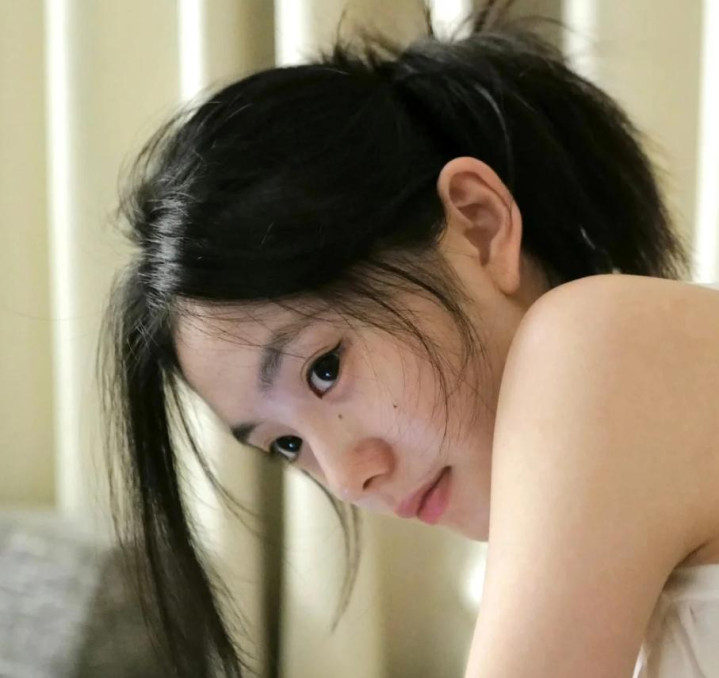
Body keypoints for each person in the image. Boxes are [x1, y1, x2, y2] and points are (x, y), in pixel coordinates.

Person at [100, 2, 719, 676]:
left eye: (324, 370)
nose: (348, 478)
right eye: (286, 444)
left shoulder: (598, 342)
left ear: (478, 226)